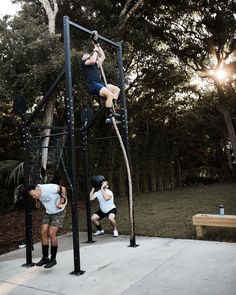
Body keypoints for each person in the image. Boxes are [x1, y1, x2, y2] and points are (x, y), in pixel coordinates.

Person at [28, 183, 67, 268]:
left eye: (34, 195)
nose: (33, 197)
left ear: (38, 190)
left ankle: (53, 259)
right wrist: (37, 201)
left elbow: (63, 188)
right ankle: (45, 258)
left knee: (52, 233)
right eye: (32, 196)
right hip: (48, 212)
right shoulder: (37, 193)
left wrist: (62, 199)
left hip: (59, 212)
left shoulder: (50, 188)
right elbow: (37, 198)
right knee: (43, 232)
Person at [81, 43, 121, 124]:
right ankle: (108, 116)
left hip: (100, 84)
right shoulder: (84, 63)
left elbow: (103, 57)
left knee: (116, 89)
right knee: (110, 94)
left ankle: (111, 107)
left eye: (88, 54)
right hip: (93, 85)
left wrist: (98, 47)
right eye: (86, 55)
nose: (87, 54)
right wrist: (95, 50)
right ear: (83, 58)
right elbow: (92, 60)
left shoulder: (96, 65)